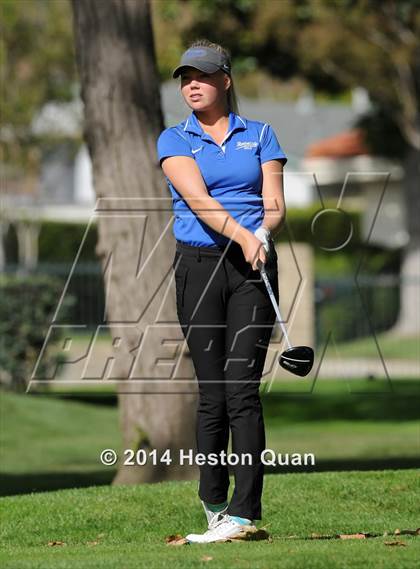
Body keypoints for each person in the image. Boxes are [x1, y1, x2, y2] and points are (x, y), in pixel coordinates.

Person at [156, 39, 287, 543]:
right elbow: (201, 202)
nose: (192, 84)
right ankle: (213, 500)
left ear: (225, 81)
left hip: (253, 268)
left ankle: (243, 512)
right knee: (212, 395)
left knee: (243, 392)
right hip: (199, 268)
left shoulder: (261, 135)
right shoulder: (174, 140)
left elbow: (274, 202)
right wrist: (244, 234)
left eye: (203, 75)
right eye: (185, 76)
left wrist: (265, 235)